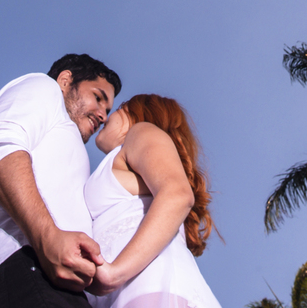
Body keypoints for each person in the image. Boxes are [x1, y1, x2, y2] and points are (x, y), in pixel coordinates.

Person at [0, 53, 122, 308]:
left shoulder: (65, 142)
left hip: (50, 279)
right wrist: (47, 238)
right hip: (17, 268)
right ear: (65, 80)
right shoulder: (44, 87)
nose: (103, 115)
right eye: (97, 97)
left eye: (108, 110)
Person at [85, 94, 221, 308]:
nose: (105, 117)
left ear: (136, 114)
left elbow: (177, 194)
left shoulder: (141, 131)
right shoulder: (123, 159)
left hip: (148, 287)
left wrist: (115, 273)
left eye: (118, 109)